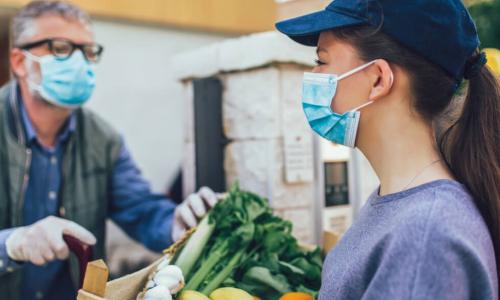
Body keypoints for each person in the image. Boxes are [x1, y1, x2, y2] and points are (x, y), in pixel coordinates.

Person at [276, 0, 499, 299]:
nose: (313, 74)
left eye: (322, 60)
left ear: (378, 79)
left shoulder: (426, 238)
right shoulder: (399, 204)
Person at [0, 1, 217, 299]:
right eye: (61, 48)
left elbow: (141, 209)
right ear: (18, 62)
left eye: (88, 52)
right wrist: (12, 244)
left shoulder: (103, 139)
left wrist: (175, 223)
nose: (79, 63)